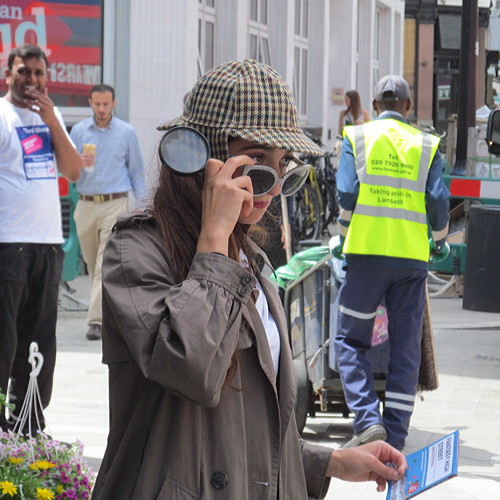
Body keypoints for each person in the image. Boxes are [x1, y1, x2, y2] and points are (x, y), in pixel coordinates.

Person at [91, 60, 407, 499]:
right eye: (257, 163)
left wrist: (332, 461)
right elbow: (191, 370)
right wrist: (214, 238)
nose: (273, 189)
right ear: (196, 156)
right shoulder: (136, 251)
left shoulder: (252, 261)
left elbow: (248, 428)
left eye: (284, 169)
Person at [334, 75, 450, 451]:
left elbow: (348, 193)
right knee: (405, 347)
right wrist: (440, 242)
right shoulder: (427, 144)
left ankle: (368, 421)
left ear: (375, 102)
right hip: (411, 261)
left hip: (366, 256)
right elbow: (436, 202)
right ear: (408, 107)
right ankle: (395, 438)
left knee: (350, 339)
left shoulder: (358, 137)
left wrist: (342, 234)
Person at [0, 44, 82, 434]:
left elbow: (74, 170)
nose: (31, 80)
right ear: (8, 74)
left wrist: (51, 121)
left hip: (47, 242)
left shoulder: (52, 115)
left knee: (40, 340)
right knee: (5, 339)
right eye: (23, 71)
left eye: (38, 73)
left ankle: (29, 420)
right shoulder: (1, 115)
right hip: (8, 243)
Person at [70, 84, 147, 341]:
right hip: (86, 204)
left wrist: (143, 205)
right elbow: (66, 169)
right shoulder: (79, 131)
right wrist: (77, 163)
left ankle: (95, 322)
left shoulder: (127, 132)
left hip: (115, 203)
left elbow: (136, 171)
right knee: (95, 267)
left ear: (113, 103)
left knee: (104, 265)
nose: (101, 109)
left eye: (106, 104)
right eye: (97, 104)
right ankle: (109, 312)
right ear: (90, 103)